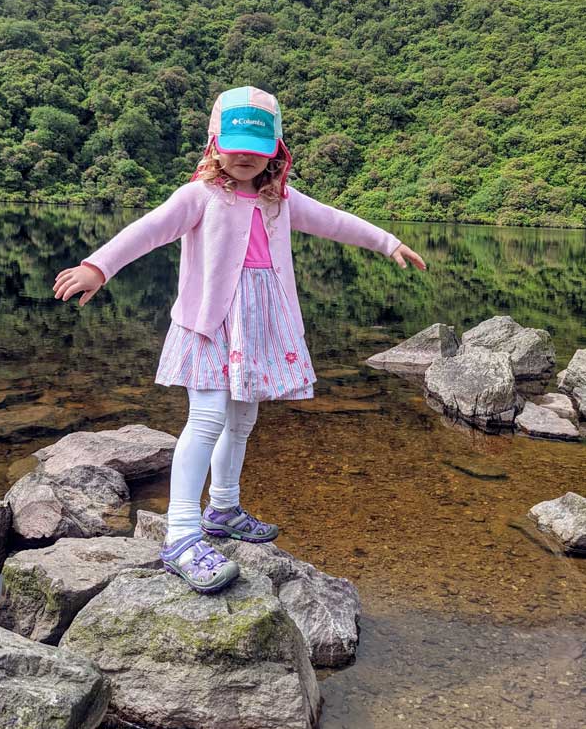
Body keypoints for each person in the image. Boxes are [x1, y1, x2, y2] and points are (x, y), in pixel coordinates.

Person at [53, 85, 426, 594]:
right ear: (215, 143)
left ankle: (223, 508)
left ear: (276, 149)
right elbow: (148, 230)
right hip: (210, 323)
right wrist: (99, 267)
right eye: (235, 145)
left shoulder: (280, 200)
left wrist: (388, 241)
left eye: (257, 146)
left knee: (242, 419)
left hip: (260, 326)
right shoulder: (199, 195)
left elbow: (334, 222)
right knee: (207, 417)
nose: (246, 156)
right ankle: (181, 533)